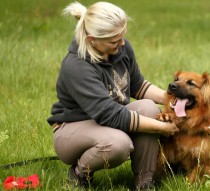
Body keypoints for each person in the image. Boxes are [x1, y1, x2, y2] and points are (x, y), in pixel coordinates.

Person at [47, 1, 178, 190]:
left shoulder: (120, 49)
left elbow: (138, 85)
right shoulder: (77, 66)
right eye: (114, 41)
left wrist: (172, 100)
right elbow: (110, 115)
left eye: (122, 37)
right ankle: (79, 173)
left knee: (149, 108)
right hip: (72, 131)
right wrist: (162, 128)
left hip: (109, 121)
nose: (122, 43)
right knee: (118, 144)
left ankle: (144, 183)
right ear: (92, 39)